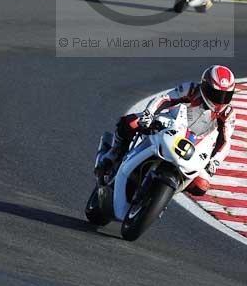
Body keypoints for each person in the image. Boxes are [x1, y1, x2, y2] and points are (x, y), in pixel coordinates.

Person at [97, 65, 236, 196]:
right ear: (205, 86)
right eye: (216, 94)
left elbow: (225, 141)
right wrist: (149, 114)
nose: (220, 100)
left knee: (201, 186)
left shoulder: (228, 113)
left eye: (226, 95)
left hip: (197, 146)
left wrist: (215, 162)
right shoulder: (192, 89)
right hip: (172, 125)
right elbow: (166, 98)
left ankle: (166, 192)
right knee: (130, 123)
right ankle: (114, 152)